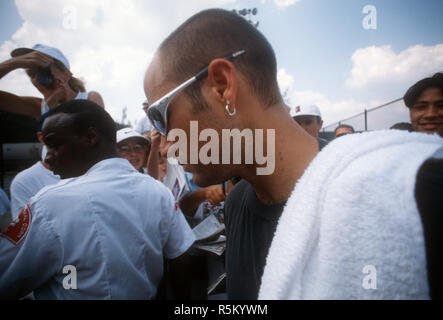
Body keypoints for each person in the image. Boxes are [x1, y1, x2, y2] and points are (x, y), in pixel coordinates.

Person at [143, 8, 443, 299]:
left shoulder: (410, 195)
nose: (166, 143)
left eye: (160, 116)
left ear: (222, 87)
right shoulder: (236, 204)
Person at [0, 100, 195, 299]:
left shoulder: (48, 205)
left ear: (91, 137)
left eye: (55, 144)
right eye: (126, 148)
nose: (48, 157)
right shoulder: (158, 192)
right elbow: (180, 259)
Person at [0, 44, 104, 120]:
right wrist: (14, 63)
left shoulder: (90, 98)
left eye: (42, 71)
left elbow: (96, 137)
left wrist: (54, 108)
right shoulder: (39, 106)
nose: (37, 79)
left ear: (66, 74)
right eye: (32, 74)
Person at [403, 72, 443, 137]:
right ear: (410, 113)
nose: (430, 114)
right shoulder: (392, 144)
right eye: (420, 107)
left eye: (441, 106)